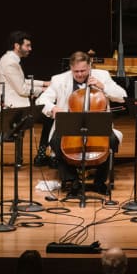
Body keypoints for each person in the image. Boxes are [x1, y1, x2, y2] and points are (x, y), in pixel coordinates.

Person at [36, 51, 127, 196]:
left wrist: (103, 86)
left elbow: (122, 96)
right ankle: (73, 181)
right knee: (55, 141)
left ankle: (100, 182)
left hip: (97, 126)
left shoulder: (102, 76)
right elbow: (40, 101)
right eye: (76, 71)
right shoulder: (59, 80)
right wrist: (53, 108)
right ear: (71, 68)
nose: (79, 74)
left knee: (111, 140)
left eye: (83, 71)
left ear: (90, 66)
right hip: (69, 126)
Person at [0, 30, 52, 166]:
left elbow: (23, 81)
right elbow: (22, 89)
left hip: (16, 106)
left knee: (48, 116)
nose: (30, 49)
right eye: (27, 46)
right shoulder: (10, 62)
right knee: (49, 117)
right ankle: (42, 155)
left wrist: (45, 83)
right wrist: (43, 90)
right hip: (13, 109)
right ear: (17, 46)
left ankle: (42, 155)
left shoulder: (10, 60)